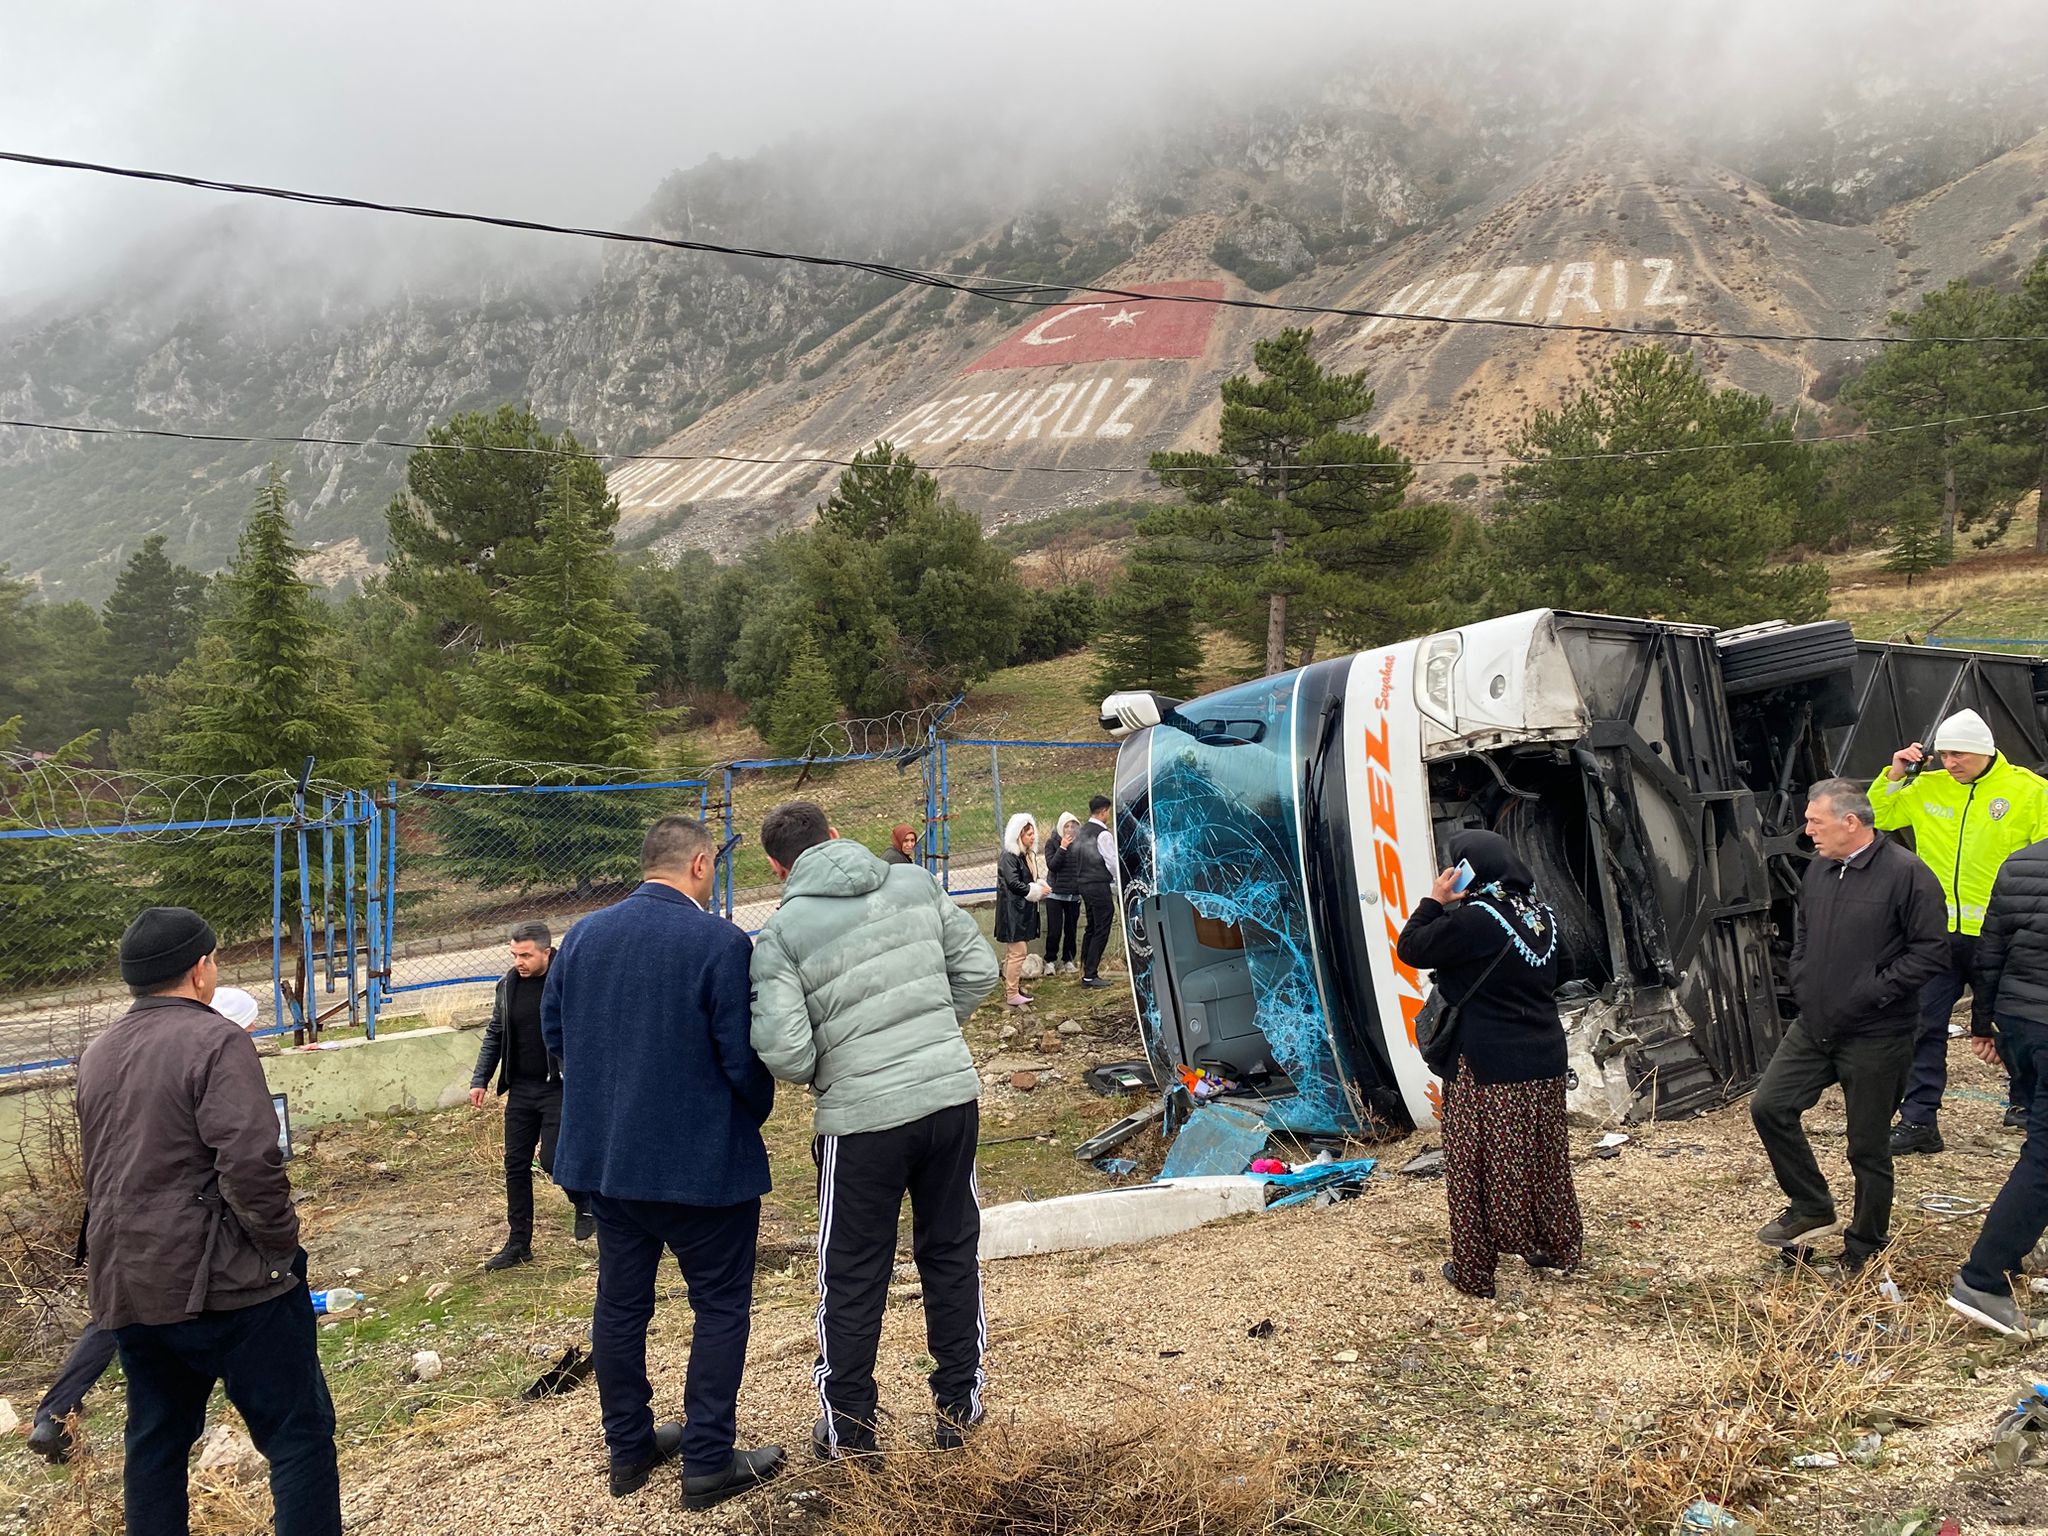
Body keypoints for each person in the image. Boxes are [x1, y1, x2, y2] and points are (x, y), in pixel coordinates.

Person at [542, 819, 785, 1511]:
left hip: (610, 1164)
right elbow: (741, 1056)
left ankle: (629, 1446)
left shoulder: (585, 935)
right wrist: (748, 1113)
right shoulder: (719, 941)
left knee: (621, 1306)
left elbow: (555, 1032)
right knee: (719, 1306)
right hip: (703, 1166)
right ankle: (707, 1460)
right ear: (700, 864)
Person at [75, 907, 340, 1536]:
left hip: (130, 1284)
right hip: (227, 1286)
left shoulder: (98, 1052)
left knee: (156, 1446)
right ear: (200, 970)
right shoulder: (216, 1039)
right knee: (298, 1434)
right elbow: (250, 1162)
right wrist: (279, 1249)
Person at [748, 800, 1000, 1459]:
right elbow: (979, 970)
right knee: (950, 1253)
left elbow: (790, 1054)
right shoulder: (914, 883)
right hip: (949, 1099)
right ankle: (960, 1412)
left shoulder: (779, 936)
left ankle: (852, 1434)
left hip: (861, 1122)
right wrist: (932, 1036)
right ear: (836, 835)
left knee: (854, 1271)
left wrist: (847, 1064)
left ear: (778, 868)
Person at [1750, 780, 1948, 1270]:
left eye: (1816, 821)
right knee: (1769, 1106)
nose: (1807, 831)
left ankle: (1864, 1246)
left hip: (1878, 1032)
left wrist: (1872, 992)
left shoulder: (1908, 874)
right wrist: (1802, 978)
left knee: (1868, 1146)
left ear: (1851, 822)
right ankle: (1812, 1206)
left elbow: (1931, 953)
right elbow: (1802, 935)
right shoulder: (1818, 870)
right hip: (1816, 1024)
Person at [1396, 830, 1582, 1299]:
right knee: (1545, 1158)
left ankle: (1475, 1272)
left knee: (1472, 1167)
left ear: (1466, 870)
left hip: (1488, 1067)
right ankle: (1557, 1247)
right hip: (1544, 1060)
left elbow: (1411, 948)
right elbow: (1567, 968)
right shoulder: (1544, 916)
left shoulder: (1475, 920)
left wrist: (1436, 899)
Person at [1872, 708, 2048, 1154]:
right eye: (1944, 754)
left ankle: (2025, 1103)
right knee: (1923, 1023)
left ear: (1984, 752)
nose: (1949, 763)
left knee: (2013, 1022)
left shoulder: (2029, 792)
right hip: (1938, 930)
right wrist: (1894, 775)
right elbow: (1877, 816)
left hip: (2005, 930)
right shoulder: (1925, 787)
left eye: (1958, 755)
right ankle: (1919, 1120)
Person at [1947, 831, 2048, 1334]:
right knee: (2045, 1158)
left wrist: (1985, 1025)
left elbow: (1990, 952)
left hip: (2022, 1025)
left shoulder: (2020, 863)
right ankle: (1983, 1278)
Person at [468, 920, 593, 1270]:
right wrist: (481, 1079)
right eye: (514, 954)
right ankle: (519, 1243)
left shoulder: (565, 984)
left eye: (526, 955)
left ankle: (584, 1203)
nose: (519, 961)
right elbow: (496, 1032)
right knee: (515, 1166)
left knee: (554, 1160)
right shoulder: (507, 986)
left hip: (560, 1086)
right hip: (522, 1088)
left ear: (546, 952)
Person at [994, 812, 1045, 1008]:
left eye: (1033, 833)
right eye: (1028, 834)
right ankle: (1012, 993)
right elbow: (1014, 883)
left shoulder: (1025, 855)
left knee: (1013, 952)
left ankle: (1012, 988)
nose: (1032, 837)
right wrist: (1036, 890)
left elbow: (1029, 879)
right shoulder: (1010, 856)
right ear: (1018, 835)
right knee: (1018, 952)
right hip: (1012, 911)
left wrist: (1039, 886)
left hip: (1020, 910)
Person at [1075, 794, 1118, 989]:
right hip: (1098, 884)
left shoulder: (1082, 831)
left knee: (1091, 926)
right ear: (1103, 811)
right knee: (1102, 927)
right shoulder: (1103, 834)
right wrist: (1119, 879)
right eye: (1107, 811)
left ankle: (1084, 968)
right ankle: (1090, 974)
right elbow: (1111, 861)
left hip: (1084, 884)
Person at [1041, 811, 1083, 974]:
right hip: (1055, 894)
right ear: (1060, 827)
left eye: (1073, 826)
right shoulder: (1052, 843)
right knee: (1055, 929)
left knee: (1071, 929)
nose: (1070, 829)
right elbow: (1052, 865)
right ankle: (1050, 960)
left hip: (1073, 893)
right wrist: (1063, 847)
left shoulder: (1080, 843)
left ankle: (1068, 960)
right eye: (1067, 826)